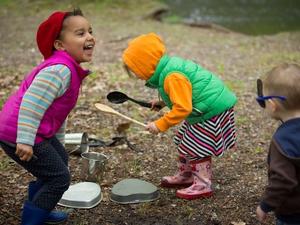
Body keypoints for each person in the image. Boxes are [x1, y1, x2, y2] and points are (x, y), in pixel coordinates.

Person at [0, 9, 95, 224]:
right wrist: (24, 140)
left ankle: (43, 206)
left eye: (90, 31)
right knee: (59, 178)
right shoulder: (59, 70)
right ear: (60, 45)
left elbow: (56, 112)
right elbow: (31, 104)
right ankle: (32, 220)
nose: (89, 37)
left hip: (33, 129)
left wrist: (57, 142)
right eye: (80, 33)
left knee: (59, 160)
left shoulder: (68, 68)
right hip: (19, 131)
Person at [122, 33, 237, 200]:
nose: (137, 76)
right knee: (185, 141)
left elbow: (183, 107)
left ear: (146, 65)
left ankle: (202, 184)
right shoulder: (168, 69)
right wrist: (162, 103)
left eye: (136, 71)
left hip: (210, 110)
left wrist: (160, 124)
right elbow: (182, 94)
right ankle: (187, 175)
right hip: (204, 107)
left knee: (197, 146)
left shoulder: (172, 77)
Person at [255, 63, 300, 225]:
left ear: (272, 105)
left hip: (294, 214)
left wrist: (265, 205)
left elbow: (283, 180)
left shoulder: (282, 141)